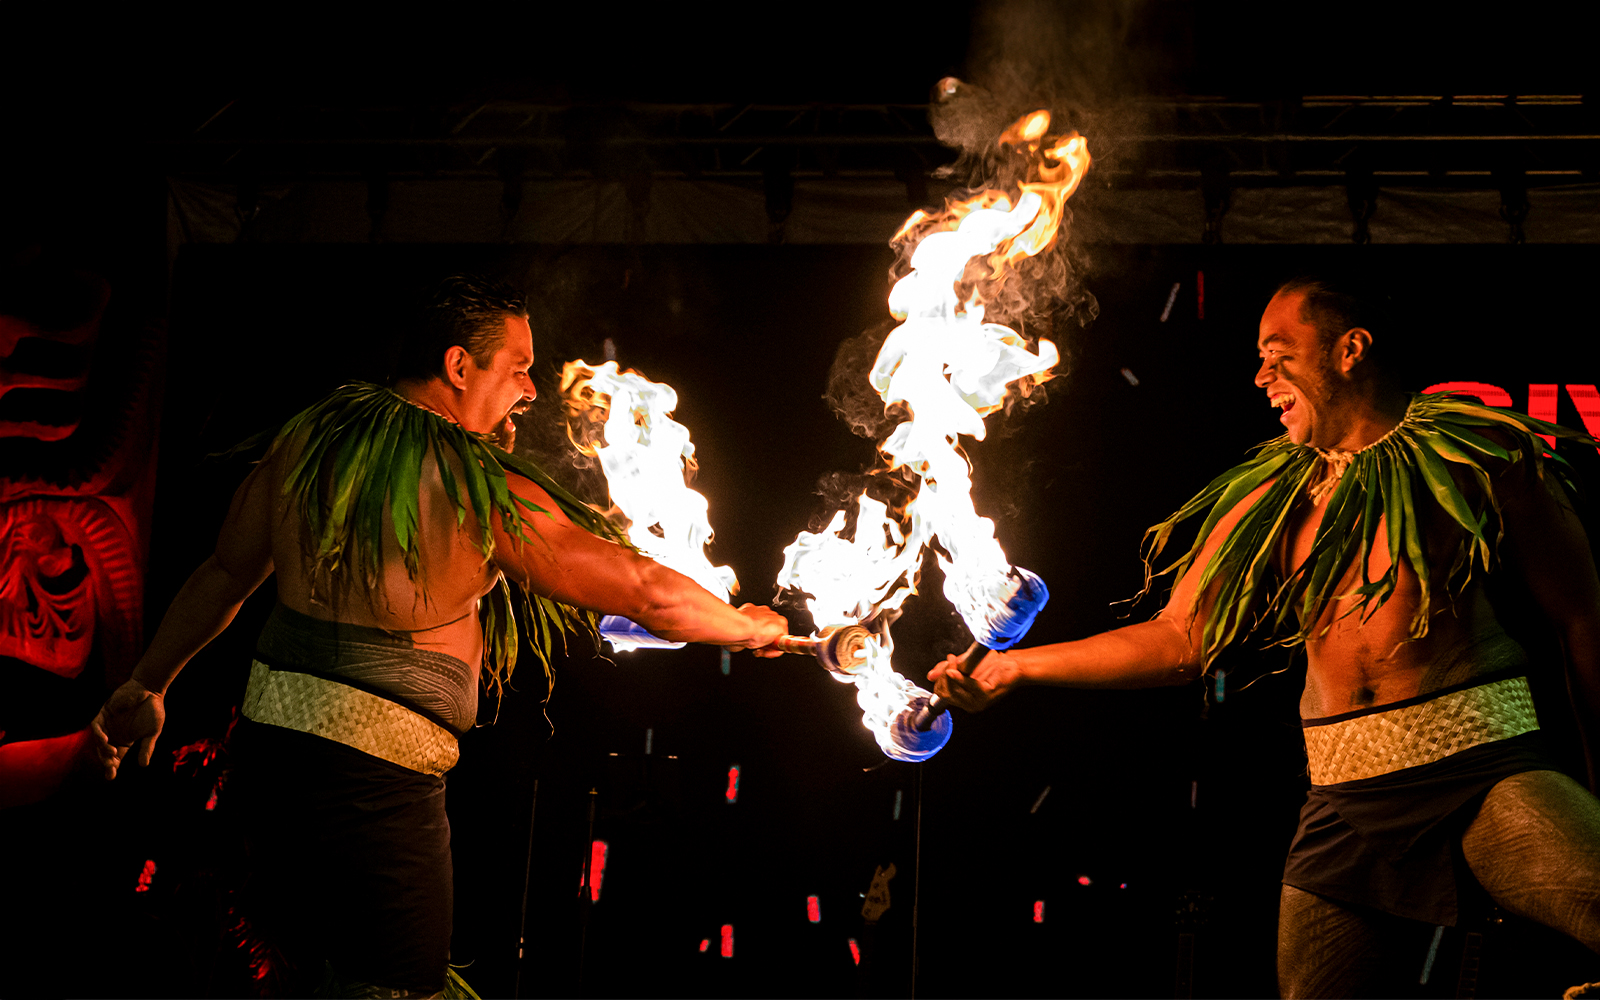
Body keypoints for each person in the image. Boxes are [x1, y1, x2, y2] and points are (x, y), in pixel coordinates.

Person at [91, 275, 788, 998]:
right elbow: (642, 589)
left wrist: (148, 681)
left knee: (295, 978)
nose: (530, 390)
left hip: (269, 764)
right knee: (396, 992)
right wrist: (739, 625)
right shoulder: (470, 484)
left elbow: (224, 572)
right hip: (373, 790)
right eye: (518, 368)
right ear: (459, 367)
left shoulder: (310, 436)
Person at [929, 275, 1600, 997]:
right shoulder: (1269, 497)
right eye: (1257, 357)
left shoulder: (1479, 457)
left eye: (1279, 353)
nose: (1260, 375)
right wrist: (1015, 668)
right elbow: (1181, 639)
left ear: (1351, 350)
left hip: (1480, 769)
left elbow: (1581, 618)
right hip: (1344, 804)